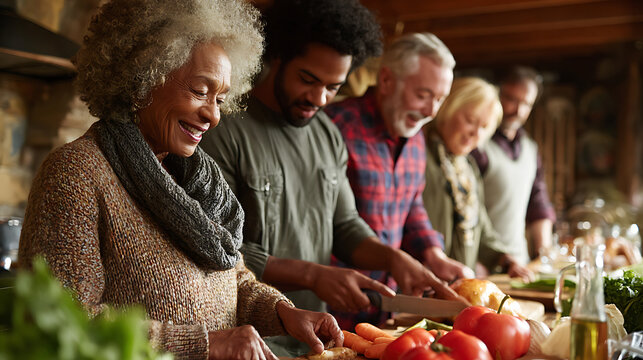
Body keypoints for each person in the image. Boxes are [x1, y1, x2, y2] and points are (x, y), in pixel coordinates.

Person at [17, 0, 343, 359]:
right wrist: (206, 344)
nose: (213, 115)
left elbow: (232, 279)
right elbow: (60, 322)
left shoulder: (199, 178)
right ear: (142, 79)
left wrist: (284, 313)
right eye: (201, 92)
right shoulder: (76, 173)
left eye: (221, 99)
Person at [199, 0, 467, 353]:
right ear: (276, 57)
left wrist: (392, 259)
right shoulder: (224, 129)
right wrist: (312, 275)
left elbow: (345, 226)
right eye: (308, 80)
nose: (319, 98)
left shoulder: (326, 133)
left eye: (334, 87)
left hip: (316, 339)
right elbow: (217, 249)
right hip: (247, 340)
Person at [324, 33, 475, 328]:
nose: (431, 111)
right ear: (387, 80)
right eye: (423, 95)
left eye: (440, 98)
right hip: (331, 311)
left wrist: (433, 253)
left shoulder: (415, 134)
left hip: (388, 312)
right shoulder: (334, 126)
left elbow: (411, 205)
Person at [421, 77, 534, 281]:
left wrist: (505, 260)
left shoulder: (467, 168)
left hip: (458, 286)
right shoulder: (420, 157)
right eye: (470, 121)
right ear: (448, 109)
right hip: (423, 284)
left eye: (484, 127)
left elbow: (481, 229)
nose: (475, 133)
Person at [471, 66, 556, 268]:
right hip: (480, 263)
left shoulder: (530, 149)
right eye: (511, 99)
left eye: (526, 104)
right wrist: (479, 260)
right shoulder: (476, 144)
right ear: (497, 94)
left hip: (518, 263)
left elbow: (538, 202)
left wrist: (544, 255)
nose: (518, 110)